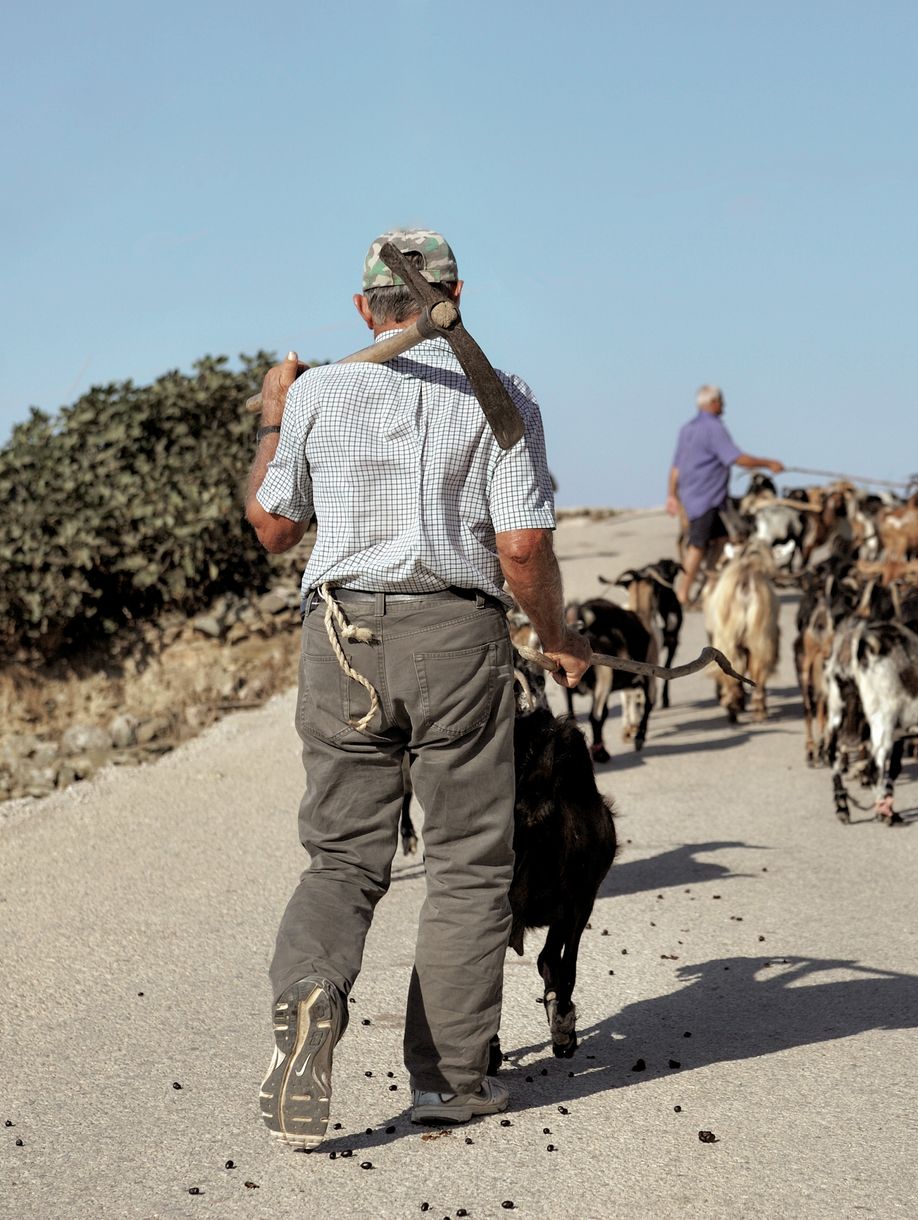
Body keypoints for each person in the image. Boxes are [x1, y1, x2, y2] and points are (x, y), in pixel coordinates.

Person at [244, 228, 591, 1149]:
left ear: (366, 310)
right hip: (457, 639)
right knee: (469, 866)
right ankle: (448, 1084)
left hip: (342, 641)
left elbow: (273, 529)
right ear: (456, 294)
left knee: (344, 860)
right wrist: (556, 638)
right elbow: (522, 548)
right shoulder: (502, 397)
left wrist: (277, 414)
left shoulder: (321, 391)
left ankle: (311, 992)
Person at [665, 384, 784, 604]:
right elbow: (735, 458)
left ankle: (709, 588)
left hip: (700, 497)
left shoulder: (687, 429)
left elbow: (675, 467)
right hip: (705, 498)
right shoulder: (713, 428)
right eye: (721, 401)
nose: (724, 406)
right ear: (712, 403)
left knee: (722, 539)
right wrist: (769, 463)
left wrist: (671, 495)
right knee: (697, 545)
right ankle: (682, 594)